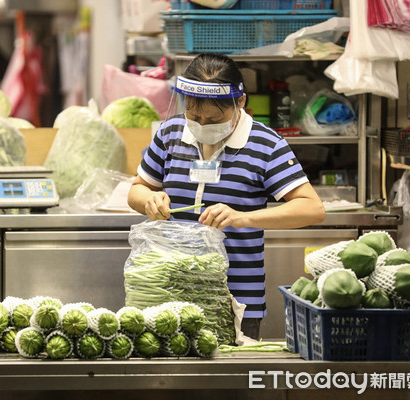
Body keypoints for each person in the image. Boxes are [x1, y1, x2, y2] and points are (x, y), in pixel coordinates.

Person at [127, 53, 326, 339]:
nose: (203, 125)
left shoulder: (266, 144)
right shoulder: (170, 133)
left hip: (237, 300)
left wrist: (243, 218)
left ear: (240, 102)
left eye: (214, 118)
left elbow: (312, 208)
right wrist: (149, 200)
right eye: (194, 116)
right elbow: (137, 189)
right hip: (167, 294)